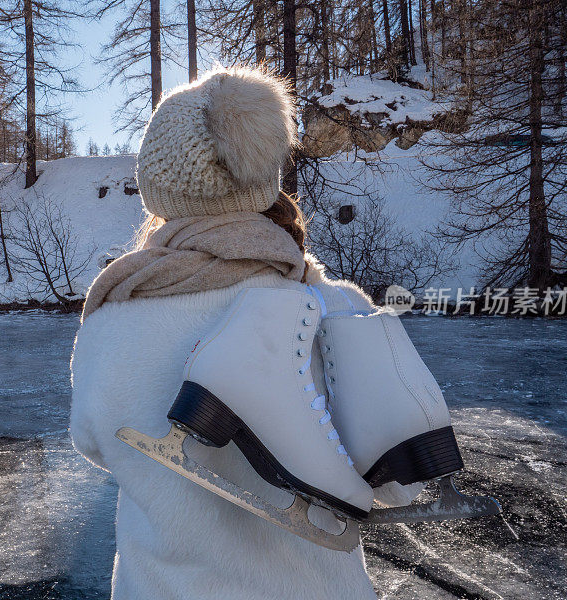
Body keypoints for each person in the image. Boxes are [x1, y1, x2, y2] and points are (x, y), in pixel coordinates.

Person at [70, 66, 420, 600]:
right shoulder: (337, 307)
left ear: (157, 189)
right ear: (263, 177)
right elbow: (400, 481)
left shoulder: (113, 322)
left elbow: (94, 443)